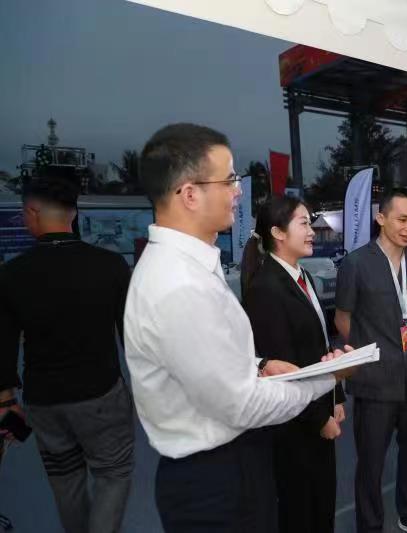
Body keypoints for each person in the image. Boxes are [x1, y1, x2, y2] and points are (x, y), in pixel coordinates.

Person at [124, 123, 353, 533]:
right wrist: (327, 378)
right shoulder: (179, 284)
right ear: (190, 194)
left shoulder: (189, 268)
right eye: (229, 179)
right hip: (217, 477)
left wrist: (258, 364)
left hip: (227, 465)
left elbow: (209, 359)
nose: (238, 191)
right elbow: (242, 404)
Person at [0, 176, 135, 533]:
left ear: (32, 212)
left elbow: (3, 344)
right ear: (74, 214)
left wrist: (6, 402)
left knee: (66, 483)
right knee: (113, 475)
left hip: (44, 401)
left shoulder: (11, 274)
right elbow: (131, 337)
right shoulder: (110, 265)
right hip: (101, 395)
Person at [335, 188, 407, 533]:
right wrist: (365, 355)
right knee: (371, 464)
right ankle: (370, 527)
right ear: (381, 218)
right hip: (375, 382)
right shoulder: (356, 264)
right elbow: (342, 318)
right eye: (402, 219)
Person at [244, 197, 346, 533]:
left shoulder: (303, 277)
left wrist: (337, 397)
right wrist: (319, 419)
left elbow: (320, 344)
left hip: (318, 405)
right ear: (277, 232)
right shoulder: (265, 288)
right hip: (293, 425)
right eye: (303, 223)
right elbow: (283, 367)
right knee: (300, 510)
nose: (312, 231)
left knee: (322, 505)